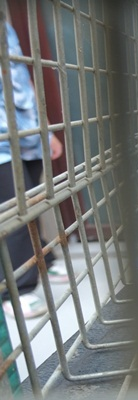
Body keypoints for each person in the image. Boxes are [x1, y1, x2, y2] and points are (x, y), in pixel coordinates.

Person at [1, 22, 65, 320]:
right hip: (2, 138)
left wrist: (45, 129)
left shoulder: (5, 23)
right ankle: (16, 290)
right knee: (13, 211)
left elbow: (22, 76)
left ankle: (41, 259)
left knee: (33, 201)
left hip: (26, 128)